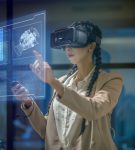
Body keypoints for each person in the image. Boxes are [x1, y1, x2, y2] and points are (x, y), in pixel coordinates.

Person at [11, 21, 123, 150]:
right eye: (67, 43)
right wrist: (28, 102)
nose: (68, 48)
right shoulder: (63, 82)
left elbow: (94, 110)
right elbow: (46, 131)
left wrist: (53, 82)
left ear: (91, 46)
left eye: (74, 41)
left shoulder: (111, 80)